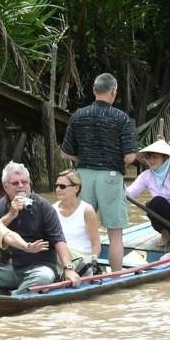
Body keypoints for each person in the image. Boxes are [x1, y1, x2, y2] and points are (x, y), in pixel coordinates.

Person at [61, 73, 138, 271]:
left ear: (94, 90)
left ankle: (79, 270)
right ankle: (116, 278)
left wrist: (83, 160)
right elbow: (130, 156)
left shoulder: (78, 115)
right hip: (111, 177)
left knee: (83, 227)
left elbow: (65, 152)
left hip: (82, 176)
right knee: (115, 234)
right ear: (114, 91)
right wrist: (112, 162)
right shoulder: (121, 118)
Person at [0, 162, 81, 294]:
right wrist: (11, 214)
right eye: (15, 183)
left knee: (44, 277)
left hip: (39, 267)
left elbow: (58, 239)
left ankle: (14, 298)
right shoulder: (0, 207)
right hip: (10, 268)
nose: (21, 186)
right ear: (6, 187)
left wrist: (69, 268)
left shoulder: (43, 206)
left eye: (24, 182)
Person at [53, 169, 101, 275]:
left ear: (76, 188)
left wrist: (93, 262)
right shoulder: (53, 209)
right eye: (56, 186)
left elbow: (96, 244)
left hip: (81, 258)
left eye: (62, 186)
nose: (57, 189)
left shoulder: (87, 210)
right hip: (61, 255)